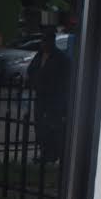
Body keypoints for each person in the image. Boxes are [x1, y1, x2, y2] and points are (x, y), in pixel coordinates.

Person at [26, 28, 72, 164]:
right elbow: (31, 69)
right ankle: (45, 153)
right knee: (40, 125)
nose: (44, 44)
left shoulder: (60, 58)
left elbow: (64, 78)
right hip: (41, 96)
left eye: (46, 41)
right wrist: (35, 81)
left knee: (53, 126)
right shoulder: (40, 55)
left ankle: (54, 153)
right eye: (43, 41)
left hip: (54, 98)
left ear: (52, 41)